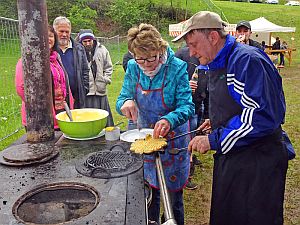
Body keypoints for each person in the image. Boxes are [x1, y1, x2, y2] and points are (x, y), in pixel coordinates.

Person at [173, 11, 288, 225]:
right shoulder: (218, 62)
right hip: (236, 154)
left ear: (213, 37)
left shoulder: (246, 61)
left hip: (258, 162)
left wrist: (213, 139)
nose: (191, 52)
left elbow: (261, 116)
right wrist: (216, 121)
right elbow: (237, 105)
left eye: (194, 44)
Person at [116, 23, 194, 225]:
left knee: (173, 199)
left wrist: (169, 119)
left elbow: (187, 106)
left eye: (151, 58)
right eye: (140, 59)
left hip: (173, 141)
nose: (147, 64)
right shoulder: (134, 67)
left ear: (160, 49)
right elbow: (122, 97)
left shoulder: (177, 68)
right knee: (150, 194)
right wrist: (126, 102)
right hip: (143, 139)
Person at [16, 25, 74, 130]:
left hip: (60, 114)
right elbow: (21, 88)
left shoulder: (56, 59)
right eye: (42, 36)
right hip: (39, 117)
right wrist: (40, 109)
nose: (47, 39)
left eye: (50, 36)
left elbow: (63, 83)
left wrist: (70, 102)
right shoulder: (28, 59)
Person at [175, 46, 209, 190]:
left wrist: (208, 113)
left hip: (199, 103)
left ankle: (188, 166)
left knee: (193, 136)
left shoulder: (208, 54)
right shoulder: (182, 54)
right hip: (183, 107)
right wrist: (184, 85)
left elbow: (210, 84)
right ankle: (184, 176)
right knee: (184, 139)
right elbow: (171, 78)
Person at [78, 29, 114, 126]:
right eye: (85, 41)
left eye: (90, 40)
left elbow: (108, 67)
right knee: (89, 120)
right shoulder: (77, 52)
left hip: (100, 90)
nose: (88, 43)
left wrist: (105, 79)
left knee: (105, 120)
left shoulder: (102, 49)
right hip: (86, 92)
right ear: (81, 42)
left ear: (93, 40)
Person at [53, 16, 89, 109]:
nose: (64, 34)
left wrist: (84, 89)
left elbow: (85, 70)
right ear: (54, 31)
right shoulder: (50, 50)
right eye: (61, 31)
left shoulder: (79, 48)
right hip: (57, 98)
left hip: (77, 96)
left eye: (67, 32)